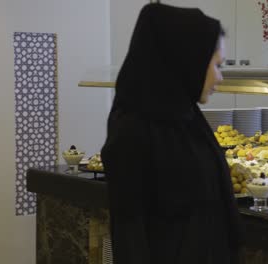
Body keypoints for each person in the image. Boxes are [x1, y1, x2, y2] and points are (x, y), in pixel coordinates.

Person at [101, 3, 244, 264]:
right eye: (216, 65)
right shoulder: (133, 130)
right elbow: (132, 238)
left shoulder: (187, 118)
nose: (220, 77)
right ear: (188, 60)